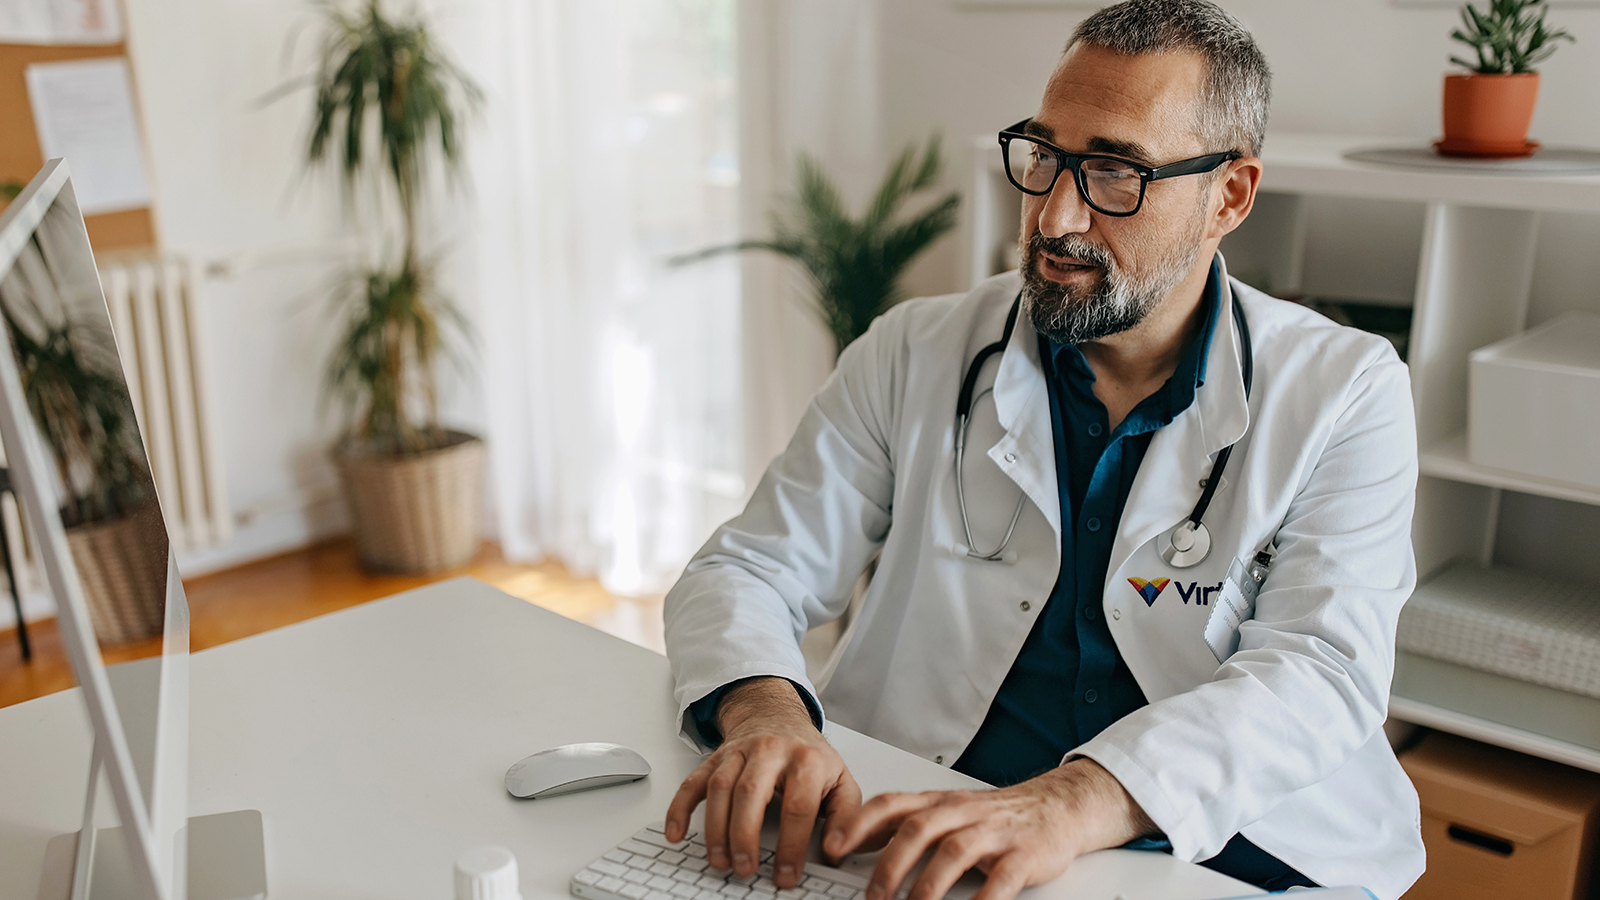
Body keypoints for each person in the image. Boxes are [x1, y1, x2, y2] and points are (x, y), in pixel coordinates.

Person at [661, 2, 1425, 898]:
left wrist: (1070, 802)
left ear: (1229, 196)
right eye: (1044, 156)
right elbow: (749, 569)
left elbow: (1320, 668)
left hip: (1225, 848)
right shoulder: (916, 351)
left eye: (1115, 173)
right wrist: (764, 715)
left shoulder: (1346, 390)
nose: (1056, 215)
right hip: (938, 818)